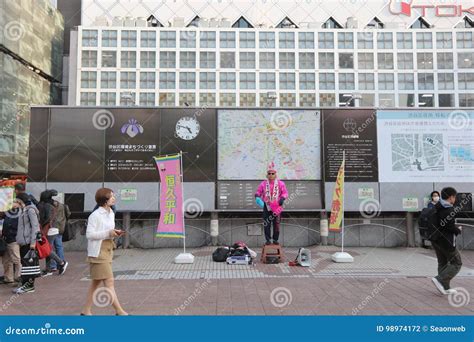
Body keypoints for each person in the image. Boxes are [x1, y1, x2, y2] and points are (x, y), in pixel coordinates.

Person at [81, 188, 128, 316]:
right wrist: (107, 233)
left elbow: (108, 230)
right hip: (98, 251)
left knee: (95, 282)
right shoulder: (95, 215)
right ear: (105, 200)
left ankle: (86, 310)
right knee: (109, 281)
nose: (114, 198)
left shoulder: (111, 213)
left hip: (108, 248)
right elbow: (89, 235)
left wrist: (114, 232)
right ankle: (119, 311)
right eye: (111, 197)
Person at [431, 187, 463, 295]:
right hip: (446, 241)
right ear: (451, 197)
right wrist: (457, 230)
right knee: (457, 262)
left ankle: (445, 287)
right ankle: (439, 279)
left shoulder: (437, 206)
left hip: (435, 239)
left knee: (442, 262)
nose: (455, 199)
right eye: (455, 197)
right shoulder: (449, 209)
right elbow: (448, 226)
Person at [254, 162, 288, 245]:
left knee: (276, 224)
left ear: (276, 175)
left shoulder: (281, 183)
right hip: (267, 206)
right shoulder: (263, 184)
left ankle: (275, 239)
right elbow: (258, 192)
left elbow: (285, 193)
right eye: (269, 173)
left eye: (273, 173)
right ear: (267, 175)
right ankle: (268, 240)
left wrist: (282, 198)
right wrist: (257, 196)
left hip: (277, 206)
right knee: (267, 224)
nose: (271, 175)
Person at [37, 190, 68, 276]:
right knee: (49, 248)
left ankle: (61, 263)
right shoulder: (54, 205)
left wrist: (42, 227)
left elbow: (45, 219)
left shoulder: (45, 206)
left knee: (48, 250)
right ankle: (49, 268)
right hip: (54, 229)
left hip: (49, 230)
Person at [14, 193, 40, 294]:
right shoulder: (23, 210)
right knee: (25, 265)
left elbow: (35, 227)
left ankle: (29, 286)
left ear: (21, 201)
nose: (15, 203)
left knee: (29, 265)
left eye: (17, 201)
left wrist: (33, 243)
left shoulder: (30, 210)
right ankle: (25, 285)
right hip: (23, 242)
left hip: (29, 242)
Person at [48, 195, 71, 272]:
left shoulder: (50, 207)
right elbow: (68, 214)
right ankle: (61, 263)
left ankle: (53, 265)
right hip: (60, 228)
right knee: (59, 246)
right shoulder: (64, 206)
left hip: (51, 228)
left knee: (51, 247)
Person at [0, 201, 21, 285]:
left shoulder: (19, 214)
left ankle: (18, 277)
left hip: (14, 239)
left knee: (16, 259)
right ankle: (8, 278)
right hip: (6, 239)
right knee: (6, 260)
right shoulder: (8, 213)